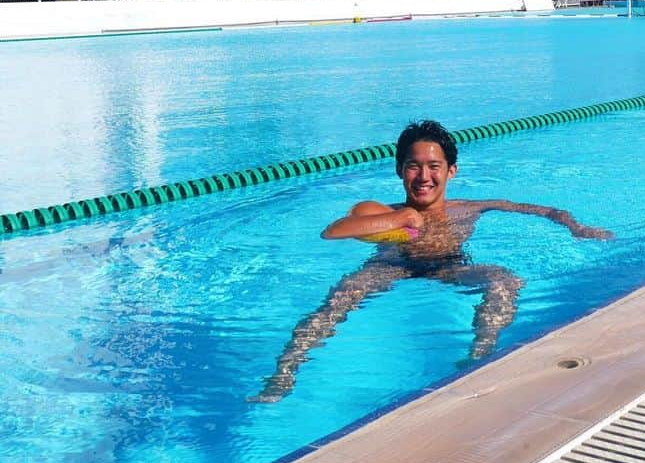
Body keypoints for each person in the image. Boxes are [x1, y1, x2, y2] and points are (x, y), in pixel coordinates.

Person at [252, 120, 612, 402]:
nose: (424, 177)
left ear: (451, 171)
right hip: (392, 265)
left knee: (504, 280)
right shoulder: (390, 212)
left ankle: (479, 357)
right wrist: (400, 220)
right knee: (342, 294)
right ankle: (284, 373)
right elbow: (333, 231)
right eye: (413, 166)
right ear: (399, 170)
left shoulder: (472, 207)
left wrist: (577, 227)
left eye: (434, 166)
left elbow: (543, 209)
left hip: (450, 266)